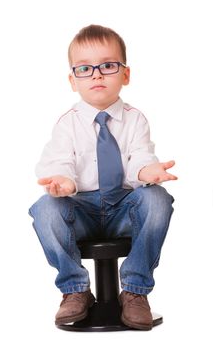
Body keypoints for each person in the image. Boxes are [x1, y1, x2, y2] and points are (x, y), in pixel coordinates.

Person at [29, 24, 177, 331]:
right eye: (85, 68)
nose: (97, 75)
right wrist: (63, 181)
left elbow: (139, 155)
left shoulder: (135, 119)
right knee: (45, 208)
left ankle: (135, 291)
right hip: (81, 208)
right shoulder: (67, 124)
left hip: (123, 206)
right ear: (73, 80)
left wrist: (147, 171)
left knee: (158, 200)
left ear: (125, 75)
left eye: (108, 66)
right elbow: (58, 161)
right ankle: (75, 290)